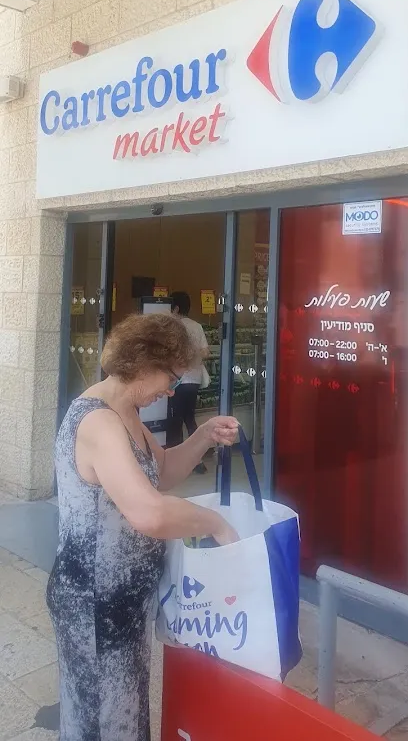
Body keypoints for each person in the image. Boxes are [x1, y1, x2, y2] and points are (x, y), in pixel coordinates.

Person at [46, 313, 238, 741]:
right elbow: (149, 511)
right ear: (143, 362)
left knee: (125, 717)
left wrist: (205, 435)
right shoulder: (98, 421)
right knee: (104, 725)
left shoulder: (125, 411)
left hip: (122, 603)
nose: (171, 390)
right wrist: (215, 523)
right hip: (94, 606)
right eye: (171, 377)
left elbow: (162, 471)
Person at [166, 291, 210, 473]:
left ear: (176, 308)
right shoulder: (197, 326)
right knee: (189, 418)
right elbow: (206, 352)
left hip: (176, 380)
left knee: (175, 420)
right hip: (194, 379)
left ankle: (178, 462)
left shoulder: (172, 327)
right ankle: (197, 460)